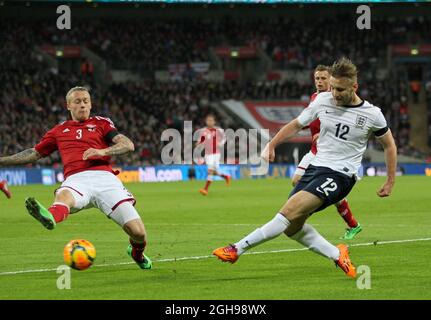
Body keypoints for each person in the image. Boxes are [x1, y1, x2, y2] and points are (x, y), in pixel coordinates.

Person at [213, 58, 397, 278]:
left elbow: (389, 145)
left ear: (354, 87)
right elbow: (296, 124)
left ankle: (236, 249)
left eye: (340, 89)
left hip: (340, 175)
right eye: (332, 88)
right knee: (292, 227)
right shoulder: (323, 101)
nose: (335, 94)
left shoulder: (372, 114)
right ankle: (337, 254)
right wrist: (272, 144)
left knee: (287, 213)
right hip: (315, 168)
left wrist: (390, 180)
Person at [0, 86, 152, 270]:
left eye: (86, 101)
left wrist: (102, 151)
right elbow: (34, 153)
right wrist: (2, 161)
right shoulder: (59, 130)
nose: (82, 105)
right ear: (68, 106)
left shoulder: (101, 123)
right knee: (64, 196)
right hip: (76, 179)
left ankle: (136, 252)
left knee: (138, 232)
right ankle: (49, 217)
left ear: (90, 104)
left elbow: (128, 145)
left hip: (105, 179)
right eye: (77, 102)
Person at [292, 65, 362, 240]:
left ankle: (352, 223)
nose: (320, 82)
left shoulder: (336, 99)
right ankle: (352, 223)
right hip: (315, 151)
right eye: (317, 78)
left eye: (323, 78)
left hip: (329, 154)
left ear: (330, 80)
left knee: (315, 188)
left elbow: (339, 122)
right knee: (297, 181)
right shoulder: (316, 98)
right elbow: (312, 118)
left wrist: (322, 133)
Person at [197, 114, 231, 196]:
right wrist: (199, 143)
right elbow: (201, 139)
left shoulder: (218, 130)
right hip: (207, 154)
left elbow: (224, 138)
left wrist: (221, 144)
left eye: (211, 120)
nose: (209, 122)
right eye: (208, 120)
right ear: (206, 121)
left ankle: (205, 189)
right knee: (215, 171)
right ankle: (226, 177)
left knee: (210, 170)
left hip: (216, 153)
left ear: (214, 121)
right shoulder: (203, 131)